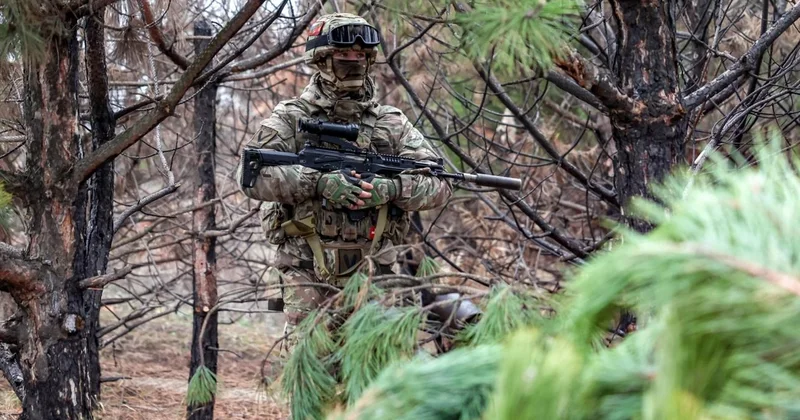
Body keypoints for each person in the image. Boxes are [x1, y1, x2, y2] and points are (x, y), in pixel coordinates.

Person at [236, 12, 452, 352]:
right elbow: (251, 177)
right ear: (321, 60)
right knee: (312, 365)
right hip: (307, 267)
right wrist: (319, 183)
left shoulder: (391, 124)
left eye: (360, 55)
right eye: (343, 55)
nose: (354, 61)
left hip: (374, 270)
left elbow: (440, 184)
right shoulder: (292, 118)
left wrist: (392, 189)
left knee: (374, 367)